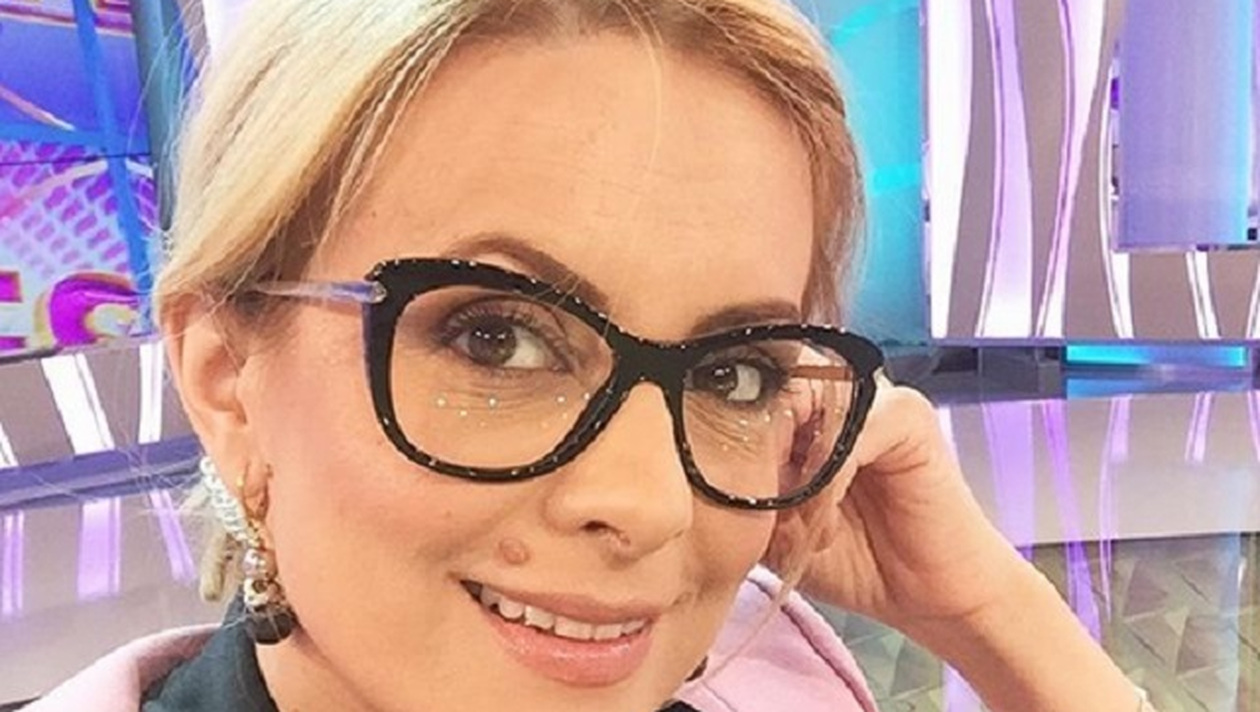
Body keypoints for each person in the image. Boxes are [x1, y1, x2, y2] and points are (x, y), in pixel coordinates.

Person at [27, 0, 1157, 710]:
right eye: (497, 338)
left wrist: (985, 612)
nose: (648, 503)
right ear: (228, 380)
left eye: (733, 371)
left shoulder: (778, 686)